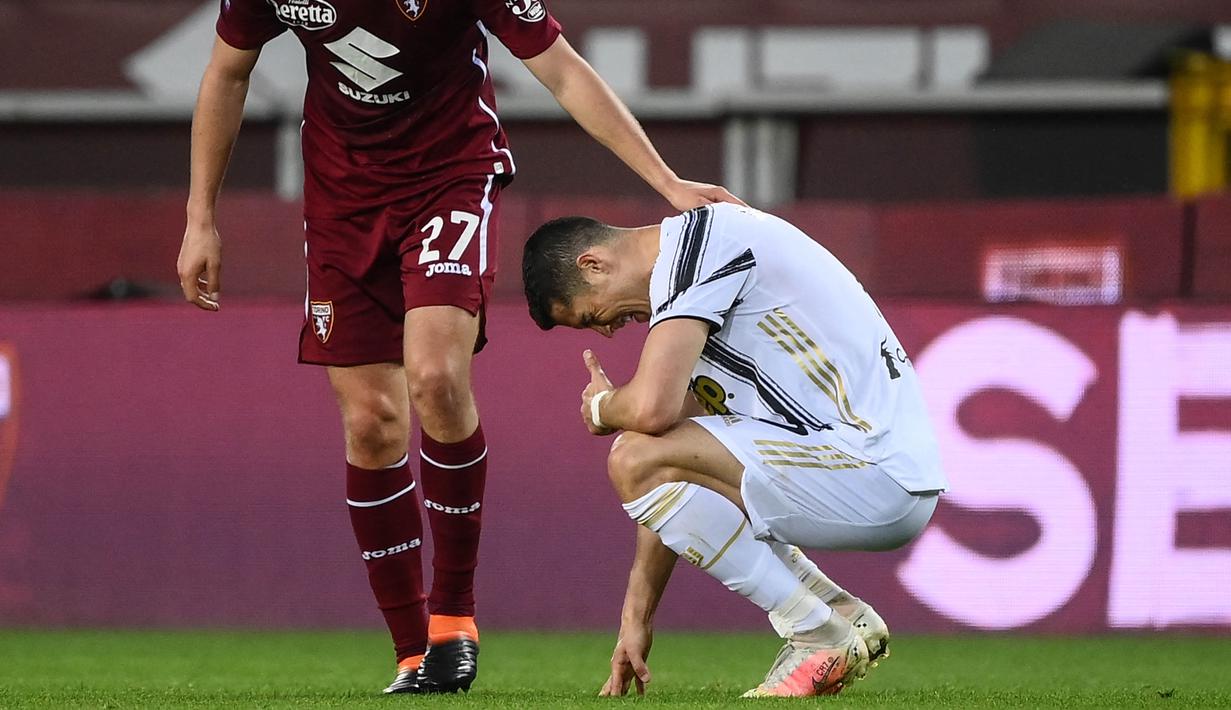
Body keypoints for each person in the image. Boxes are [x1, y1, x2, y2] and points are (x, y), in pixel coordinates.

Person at [175, 0, 741, 695]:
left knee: (435, 376)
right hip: (340, 196)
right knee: (369, 421)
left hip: (450, 175)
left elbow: (560, 70)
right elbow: (227, 72)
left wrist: (667, 182)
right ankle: (412, 651)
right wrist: (201, 216)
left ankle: (453, 616)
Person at [520, 203, 949, 698]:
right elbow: (670, 463)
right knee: (642, 456)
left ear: (593, 264)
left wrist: (602, 407)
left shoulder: (697, 252)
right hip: (872, 469)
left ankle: (817, 634)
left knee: (631, 453)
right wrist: (636, 618)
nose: (608, 330)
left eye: (593, 315)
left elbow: (651, 411)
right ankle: (839, 613)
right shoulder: (699, 299)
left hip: (873, 469)